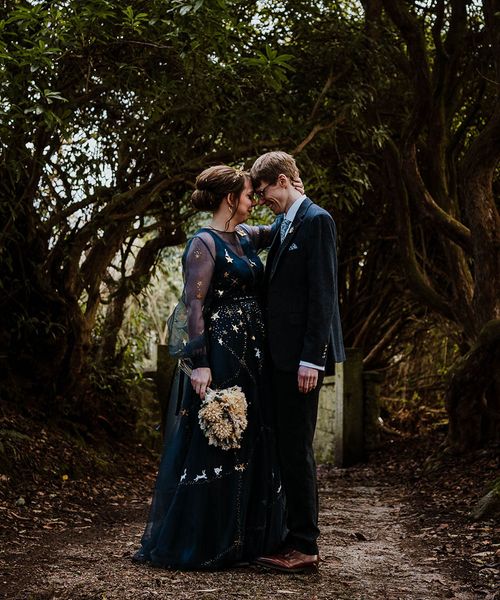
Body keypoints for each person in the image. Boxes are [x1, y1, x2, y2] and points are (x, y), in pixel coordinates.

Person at [133, 165, 287, 570]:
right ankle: (204, 541)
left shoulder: (245, 236)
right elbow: (194, 307)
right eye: (249, 195)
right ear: (229, 199)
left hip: (254, 355)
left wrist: (294, 196)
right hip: (222, 353)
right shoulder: (203, 243)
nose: (254, 201)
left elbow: (282, 226)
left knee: (250, 439)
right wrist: (200, 365)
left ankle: (244, 539)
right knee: (220, 440)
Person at [250, 151, 346, 573]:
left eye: (265, 189)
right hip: (281, 358)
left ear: (284, 180)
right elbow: (265, 235)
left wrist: (312, 358)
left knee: (297, 450)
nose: (262, 197)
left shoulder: (317, 220)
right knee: (286, 448)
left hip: (301, 361)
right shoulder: (287, 222)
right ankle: (291, 536)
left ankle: (306, 545)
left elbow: (322, 294)